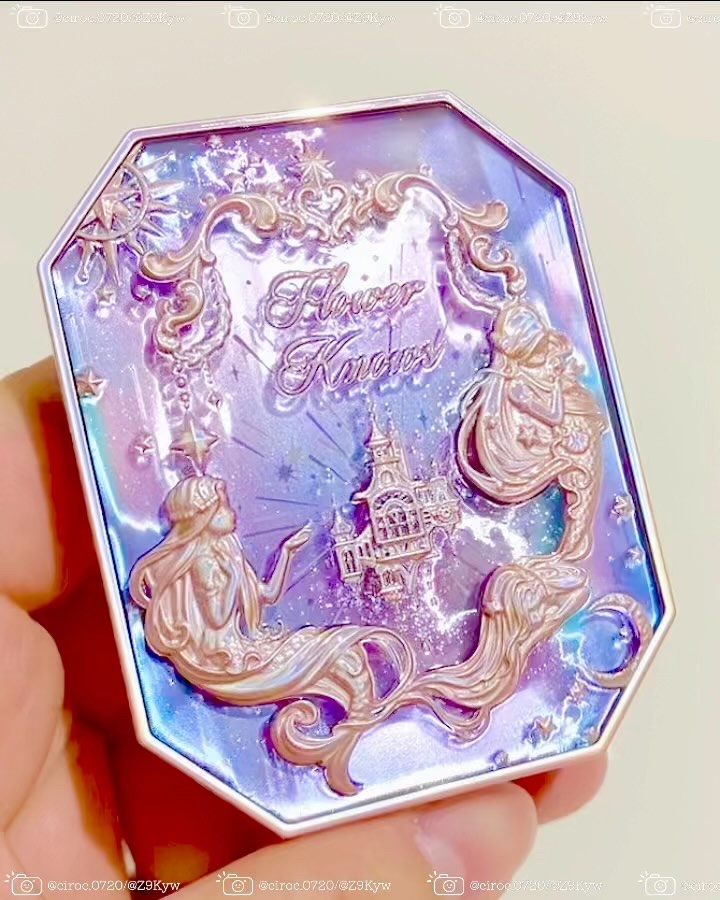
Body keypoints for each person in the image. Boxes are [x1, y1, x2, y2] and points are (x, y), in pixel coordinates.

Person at [0, 359, 606, 897]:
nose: (229, 508)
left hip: (252, 648)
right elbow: (229, 619)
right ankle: (367, 718)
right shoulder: (200, 566)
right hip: (231, 659)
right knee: (344, 653)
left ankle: (380, 707)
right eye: (219, 504)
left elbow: (263, 597)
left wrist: (289, 555)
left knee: (347, 652)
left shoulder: (226, 557)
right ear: (205, 516)